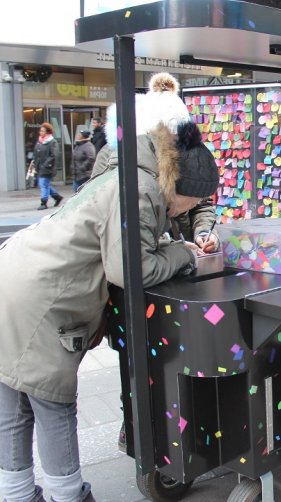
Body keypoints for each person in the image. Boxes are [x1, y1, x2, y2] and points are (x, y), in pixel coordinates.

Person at [0, 72, 218, 502]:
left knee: (12, 400)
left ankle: (17, 493)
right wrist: (186, 253)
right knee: (51, 402)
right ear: (177, 188)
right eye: (187, 206)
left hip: (14, 275)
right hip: (41, 301)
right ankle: (68, 495)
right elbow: (129, 270)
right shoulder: (139, 190)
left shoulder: (126, 169)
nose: (182, 214)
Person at [33, 122, 63, 210]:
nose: (41, 132)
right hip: (40, 167)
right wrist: (35, 162)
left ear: (47, 132)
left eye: (43, 131)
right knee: (45, 184)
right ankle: (57, 197)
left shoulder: (52, 141)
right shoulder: (40, 141)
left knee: (43, 184)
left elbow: (54, 155)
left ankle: (44, 202)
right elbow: (36, 153)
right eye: (40, 131)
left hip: (48, 167)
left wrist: (46, 164)